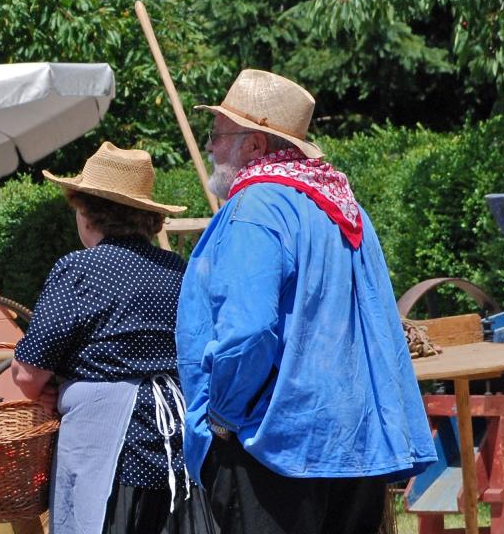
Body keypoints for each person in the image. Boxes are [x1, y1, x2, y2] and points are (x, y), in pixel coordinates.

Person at [176, 69, 435, 533]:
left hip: (276, 443)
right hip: (353, 442)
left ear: (255, 145)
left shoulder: (257, 206)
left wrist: (221, 415)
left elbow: (248, 330)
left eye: (217, 135)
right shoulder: (342, 207)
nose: (211, 147)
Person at [9, 143, 216, 534]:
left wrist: (53, 386)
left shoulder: (79, 270)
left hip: (110, 447)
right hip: (177, 442)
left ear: (87, 213)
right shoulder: (178, 270)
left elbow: (27, 374)